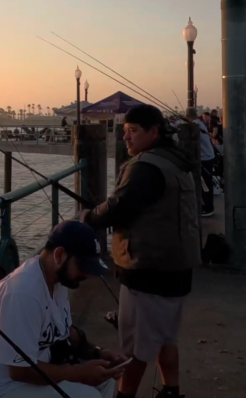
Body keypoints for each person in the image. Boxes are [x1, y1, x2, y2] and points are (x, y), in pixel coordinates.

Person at [80, 104, 199, 398]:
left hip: (149, 270)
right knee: (165, 338)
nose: (126, 138)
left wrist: (89, 217)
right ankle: (171, 390)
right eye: (124, 132)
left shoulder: (146, 167)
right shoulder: (174, 160)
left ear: (154, 132)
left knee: (136, 347)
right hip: (177, 268)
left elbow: (119, 207)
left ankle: (125, 396)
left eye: (133, 131)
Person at [0, 221, 124, 398]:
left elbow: (66, 332)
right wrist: (77, 372)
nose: (89, 275)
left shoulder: (58, 281)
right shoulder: (23, 292)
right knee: (89, 396)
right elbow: (19, 371)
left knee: (105, 377)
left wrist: (97, 353)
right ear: (59, 255)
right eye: (83, 266)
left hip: (22, 378)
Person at [198, 111, 216, 216]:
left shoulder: (195, 125)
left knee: (205, 185)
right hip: (208, 157)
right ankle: (207, 206)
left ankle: (208, 208)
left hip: (205, 159)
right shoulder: (199, 123)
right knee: (206, 184)